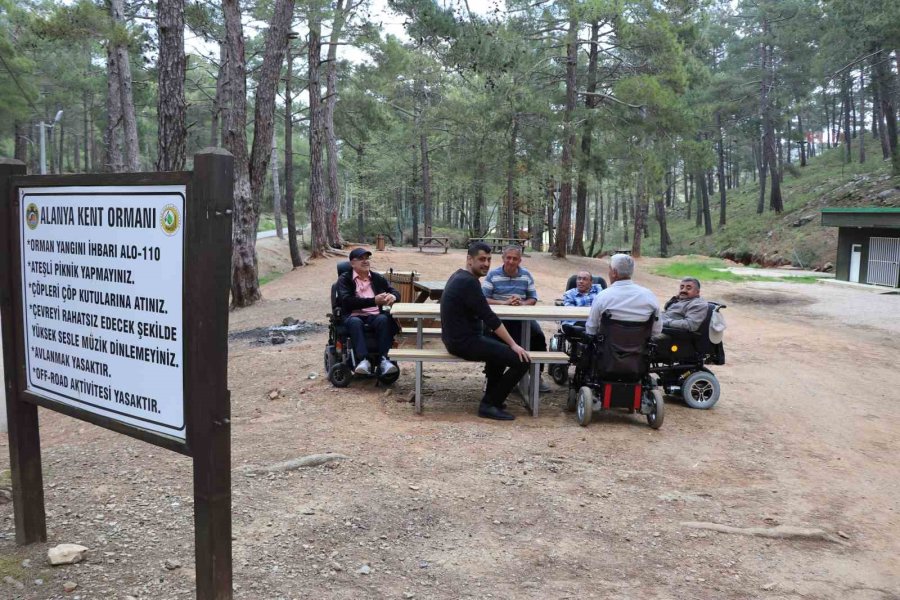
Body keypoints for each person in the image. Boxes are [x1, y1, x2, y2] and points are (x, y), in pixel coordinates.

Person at [441, 242, 531, 421]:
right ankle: (489, 405)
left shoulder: (459, 276)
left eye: (489, 260)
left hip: (455, 338)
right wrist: (514, 345)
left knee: (498, 350)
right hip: (463, 342)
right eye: (482, 259)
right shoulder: (469, 282)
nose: (486, 264)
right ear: (469, 259)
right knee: (521, 360)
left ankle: (492, 398)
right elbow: (489, 317)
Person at [482, 245, 550, 392]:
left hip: (523, 318)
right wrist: (504, 303)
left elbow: (533, 298)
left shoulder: (526, 275)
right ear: (503, 258)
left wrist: (522, 303)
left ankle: (536, 375)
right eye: (509, 258)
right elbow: (483, 298)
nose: (511, 261)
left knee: (538, 336)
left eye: (515, 259)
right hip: (498, 320)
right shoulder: (493, 275)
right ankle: (491, 377)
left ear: (520, 260)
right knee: (493, 341)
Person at [337, 247, 401, 376]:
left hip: (374, 315)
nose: (365, 261)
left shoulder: (377, 278)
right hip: (353, 315)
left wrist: (393, 297)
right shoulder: (345, 279)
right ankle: (363, 360)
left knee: (383, 319)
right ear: (352, 263)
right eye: (360, 259)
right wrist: (374, 301)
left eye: (367, 258)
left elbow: (395, 292)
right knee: (355, 322)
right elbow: (347, 301)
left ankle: (384, 360)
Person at [585, 254, 662, 337]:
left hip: (608, 348)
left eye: (609, 269)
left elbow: (591, 328)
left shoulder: (602, 297)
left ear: (614, 273)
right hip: (641, 348)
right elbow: (656, 331)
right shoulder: (649, 296)